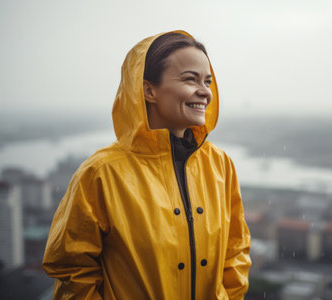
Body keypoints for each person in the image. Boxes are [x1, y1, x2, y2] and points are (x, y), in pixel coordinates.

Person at [43, 30, 251, 300]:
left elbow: (236, 251)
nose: (205, 92)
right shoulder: (102, 174)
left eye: (208, 82)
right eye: (191, 79)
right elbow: (71, 270)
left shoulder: (220, 165)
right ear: (148, 90)